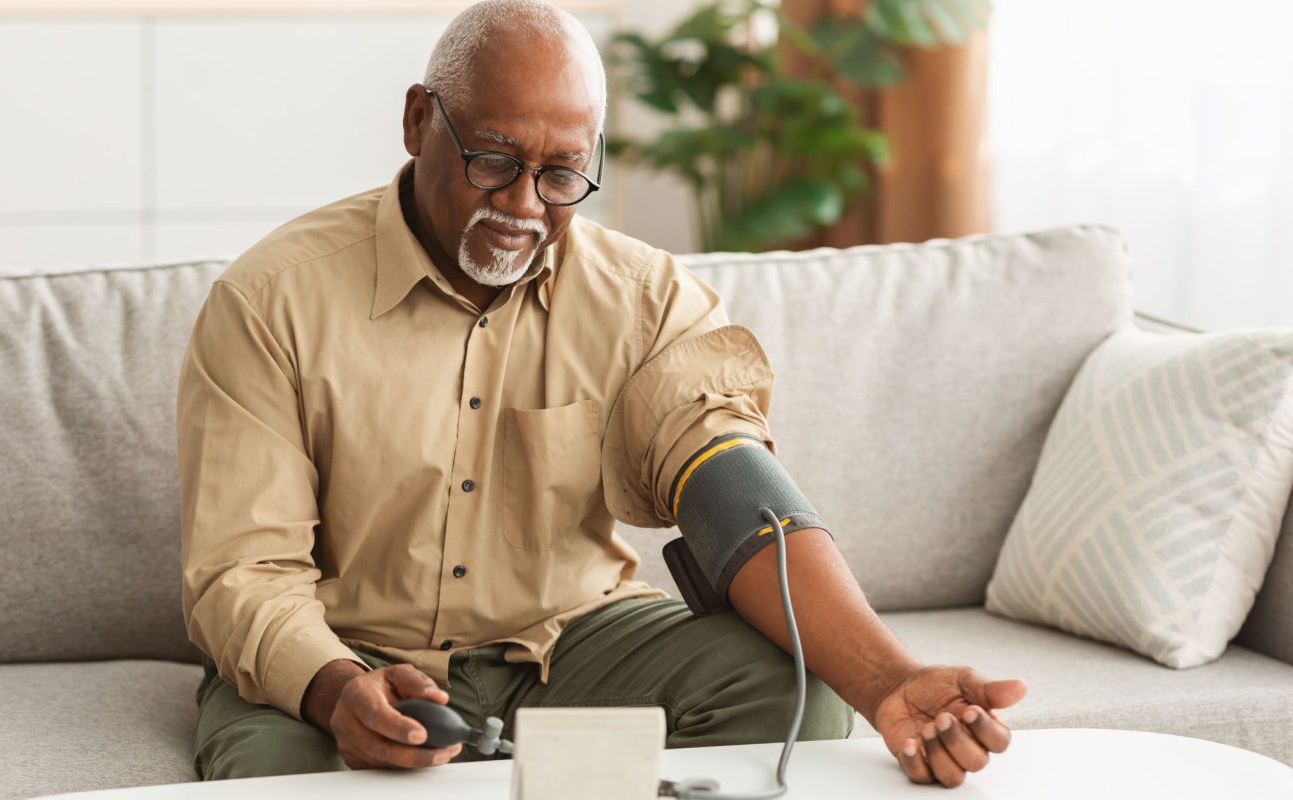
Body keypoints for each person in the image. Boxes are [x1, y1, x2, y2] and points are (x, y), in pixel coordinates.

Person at [176, 0, 1026, 790]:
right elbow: (242, 571)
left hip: (568, 643)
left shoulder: (648, 300)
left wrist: (890, 680)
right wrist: (332, 690)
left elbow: (732, 495)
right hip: (343, 648)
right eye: (493, 159)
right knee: (274, 776)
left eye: (561, 173)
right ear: (416, 122)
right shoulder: (271, 301)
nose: (521, 204)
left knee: (790, 690)